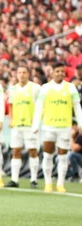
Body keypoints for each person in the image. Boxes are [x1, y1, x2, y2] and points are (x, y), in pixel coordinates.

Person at [32, 62, 82, 193]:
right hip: (49, 126)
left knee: (63, 156)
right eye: (57, 71)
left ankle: (60, 183)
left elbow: (77, 106)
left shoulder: (71, 88)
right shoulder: (45, 88)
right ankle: (48, 183)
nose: (60, 73)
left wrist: (81, 123)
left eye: (62, 71)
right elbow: (39, 107)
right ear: (52, 72)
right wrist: (36, 124)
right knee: (48, 155)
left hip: (64, 126)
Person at [6, 66, 41, 188]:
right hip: (17, 125)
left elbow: (41, 105)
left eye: (24, 72)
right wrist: (11, 119)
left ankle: (33, 179)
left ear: (28, 74)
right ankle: (14, 180)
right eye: (19, 72)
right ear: (16, 74)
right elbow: (10, 105)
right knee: (16, 151)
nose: (21, 75)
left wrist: (36, 121)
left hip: (30, 126)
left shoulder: (35, 88)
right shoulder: (13, 89)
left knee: (32, 151)